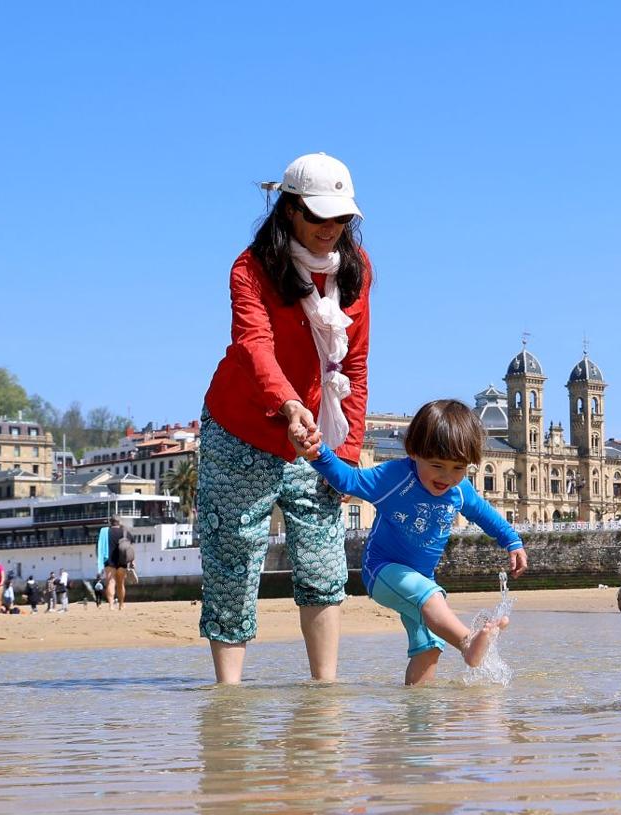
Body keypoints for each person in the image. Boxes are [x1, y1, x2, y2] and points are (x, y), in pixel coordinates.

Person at [198, 152, 373, 685]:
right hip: (242, 427)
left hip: (320, 435)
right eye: (319, 217)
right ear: (290, 209)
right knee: (234, 556)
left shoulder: (357, 272)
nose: (332, 229)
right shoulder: (250, 268)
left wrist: (345, 455)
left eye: (342, 218)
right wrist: (290, 404)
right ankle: (228, 698)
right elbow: (254, 345)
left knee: (322, 560)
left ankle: (326, 691)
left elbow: (357, 364)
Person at [302, 398, 529, 686]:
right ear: (414, 452)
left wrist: (512, 541)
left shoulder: (460, 490)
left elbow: (486, 515)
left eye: (458, 468)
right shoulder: (394, 477)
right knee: (433, 598)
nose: (446, 477)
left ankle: (419, 720)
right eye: (437, 465)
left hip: (422, 579)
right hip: (383, 570)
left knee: (430, 646)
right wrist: (318, 452)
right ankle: (468, 643)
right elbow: (348, 480)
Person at [105, 517, 133, 610]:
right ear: (119, 522)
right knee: (121, 583)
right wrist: (132, 561)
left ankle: (111, 605)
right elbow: (129, 548)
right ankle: (121, 604)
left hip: (110, 560)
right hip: (122, 560)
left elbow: (100, 547)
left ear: (110, 522)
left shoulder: (106, 533)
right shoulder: (125, 532)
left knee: (111, 582)